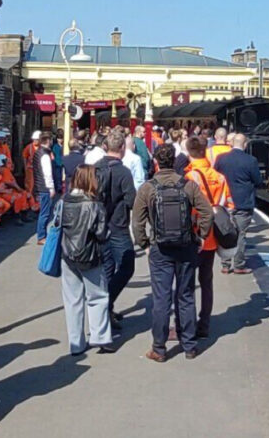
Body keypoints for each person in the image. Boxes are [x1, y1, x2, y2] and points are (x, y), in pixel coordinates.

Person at [132, 144, 213, 362]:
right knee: (186, 295)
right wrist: (201, 236)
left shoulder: (147, 188)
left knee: (161, 298)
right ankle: (190, 345)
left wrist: (144, 244)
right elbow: (207, 212)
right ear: (175, 161)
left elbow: (137, 222)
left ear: (156, 162)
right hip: (186, 246)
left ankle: (159, 348)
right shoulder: (188, 185)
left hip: (160, 248)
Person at [55, 165, 114, 355]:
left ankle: (76, 343)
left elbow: (56, 225)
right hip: (90, 255)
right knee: (98, 297)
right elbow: (102, 234)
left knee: (72, 300)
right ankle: (100, 337)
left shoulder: (63, 201)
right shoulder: (94, 204)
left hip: (67, 255)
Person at [184, 135, 232, 338]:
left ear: (188, 152)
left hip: (194, 236)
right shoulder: (219, 177)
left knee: (187, 284)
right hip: (212, 237)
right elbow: (228, 204)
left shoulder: (189, 177)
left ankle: (187, 324)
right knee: (206, 282)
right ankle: (204, 324)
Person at [94, 131, 137, 326]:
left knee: (107, 268)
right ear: (122, 148)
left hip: (99, 225)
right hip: (118, 225)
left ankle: (106, 310)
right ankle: (106, 303)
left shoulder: (95, 168)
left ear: (105, 147)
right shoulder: (124, 172)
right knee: (127, 267)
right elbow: (131, 200)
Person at [215, 133, 263, 274]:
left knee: (225, 232)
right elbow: (258, 181)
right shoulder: (251, 161)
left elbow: (215, 175)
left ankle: (225, 264)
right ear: (245, 144)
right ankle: (239, 265)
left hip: (225, 202)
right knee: (240, 234)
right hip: (243, 202)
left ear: (232, 143)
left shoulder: (221, 158)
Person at [0, 155, 34, 223]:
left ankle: (23, 214)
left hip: (4, 192)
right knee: (17, 197)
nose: (1, 168)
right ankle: (17, 216)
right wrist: (7, 190)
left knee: (22, 195)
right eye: (0, 167)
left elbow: (4, 184)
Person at [33, 131, 57, 245]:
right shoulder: (45, 155)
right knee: (45, 213)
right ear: (48, 141)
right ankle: (41, 236)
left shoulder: (38, 152)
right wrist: (51, 187)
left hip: (39, 185)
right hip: (44, 187)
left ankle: (42, 235)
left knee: (43, 212)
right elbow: (47, 173)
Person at [22, 131, 41, 206]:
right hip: (30, 169)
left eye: (37, 140)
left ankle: (36, 202)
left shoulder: (42, 147)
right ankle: (29, 202)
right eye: (34, 140)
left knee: (38, 186)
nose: (35, 141)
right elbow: (24, 157)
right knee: (30, 186)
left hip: (39, 170)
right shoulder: (29, 147)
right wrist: (25, 167)